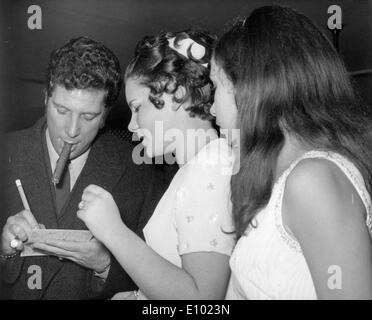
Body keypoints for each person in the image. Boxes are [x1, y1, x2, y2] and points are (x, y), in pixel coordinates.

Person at [209, 5, 372, 299]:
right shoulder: (287, 180)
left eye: (215, 86)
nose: (211, 109)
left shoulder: (313, 180)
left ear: (249, 89)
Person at [0, 37, 173, 299]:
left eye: (88, 116)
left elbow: (162, 283)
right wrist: (4, 249)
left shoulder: (144, 173)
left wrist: (105, 265)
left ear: (105, 116)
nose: (71, 131)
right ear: (46, 96)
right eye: (61, 110)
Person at [76, 30, 236, 300]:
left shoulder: (209, 166)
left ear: (177, 94)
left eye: (137, 108)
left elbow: (201, 301)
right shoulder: (194, 169)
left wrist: (113, 230)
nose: (131, 125)